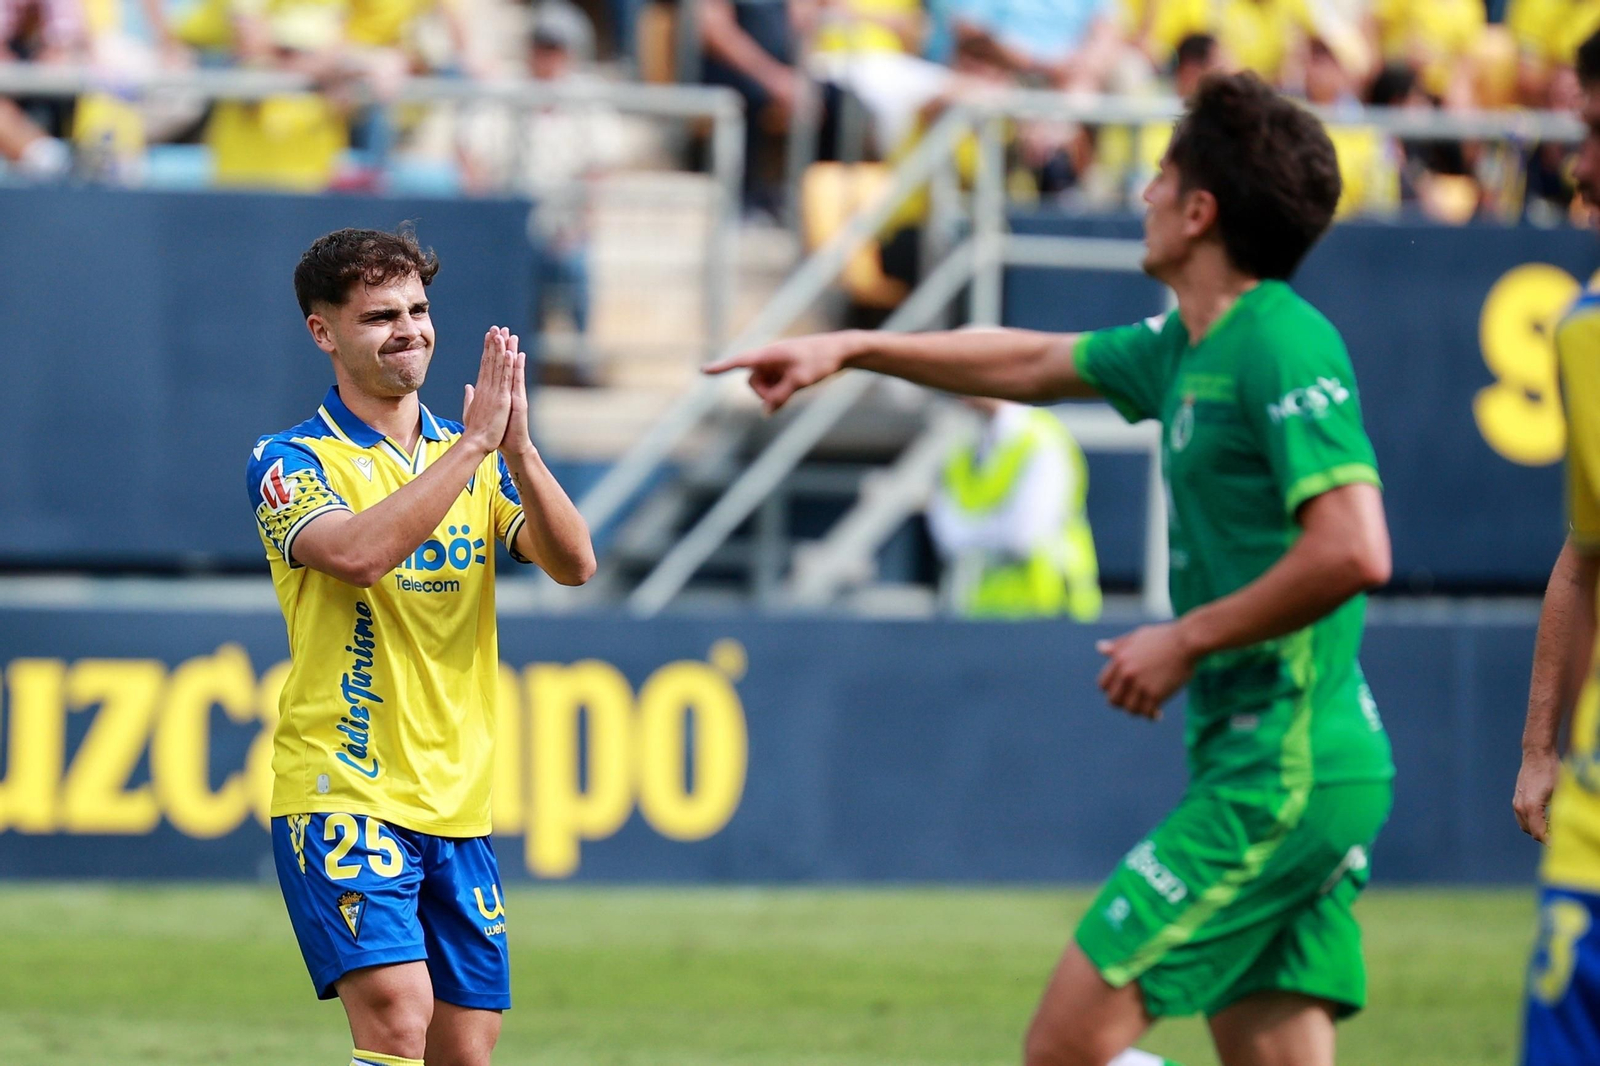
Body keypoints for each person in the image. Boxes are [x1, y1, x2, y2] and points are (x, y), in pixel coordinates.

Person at [709, 71, 1394, 1066]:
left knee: (1065, 1047)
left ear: (1201, 211)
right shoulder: (1185, 345)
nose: (1142, 193)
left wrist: (1183, 635)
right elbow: (1028, 363)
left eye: (1161, 177)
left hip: (1284, 768)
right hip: (1275, 756)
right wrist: (854, 346)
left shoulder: (1282, 341)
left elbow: (1354, 547)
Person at [245, 226, 595, 1066]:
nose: (409, 330)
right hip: (344, 786)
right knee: (399, 1019)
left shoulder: (468, 455)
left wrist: (518, 449)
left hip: (455, 799)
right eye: (379, 316)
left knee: (463, 1051)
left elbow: (574, 563)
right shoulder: (292, 461)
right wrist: (475, 446)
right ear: (322, 332)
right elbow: (358, 556)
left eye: (419, 310)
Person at [1513, 30, 1600, 1066]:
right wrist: (1541, 747)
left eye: (1595, 133)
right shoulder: (1584, 329)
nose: (1580, 167)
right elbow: (1585, 554)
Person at [927, 397, 1102, 620]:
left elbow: (1022, 536)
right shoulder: (962, 449)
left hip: (1050, 608)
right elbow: (948, 537)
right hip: (980, 612)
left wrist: (971, 532)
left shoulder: (1041, 439)